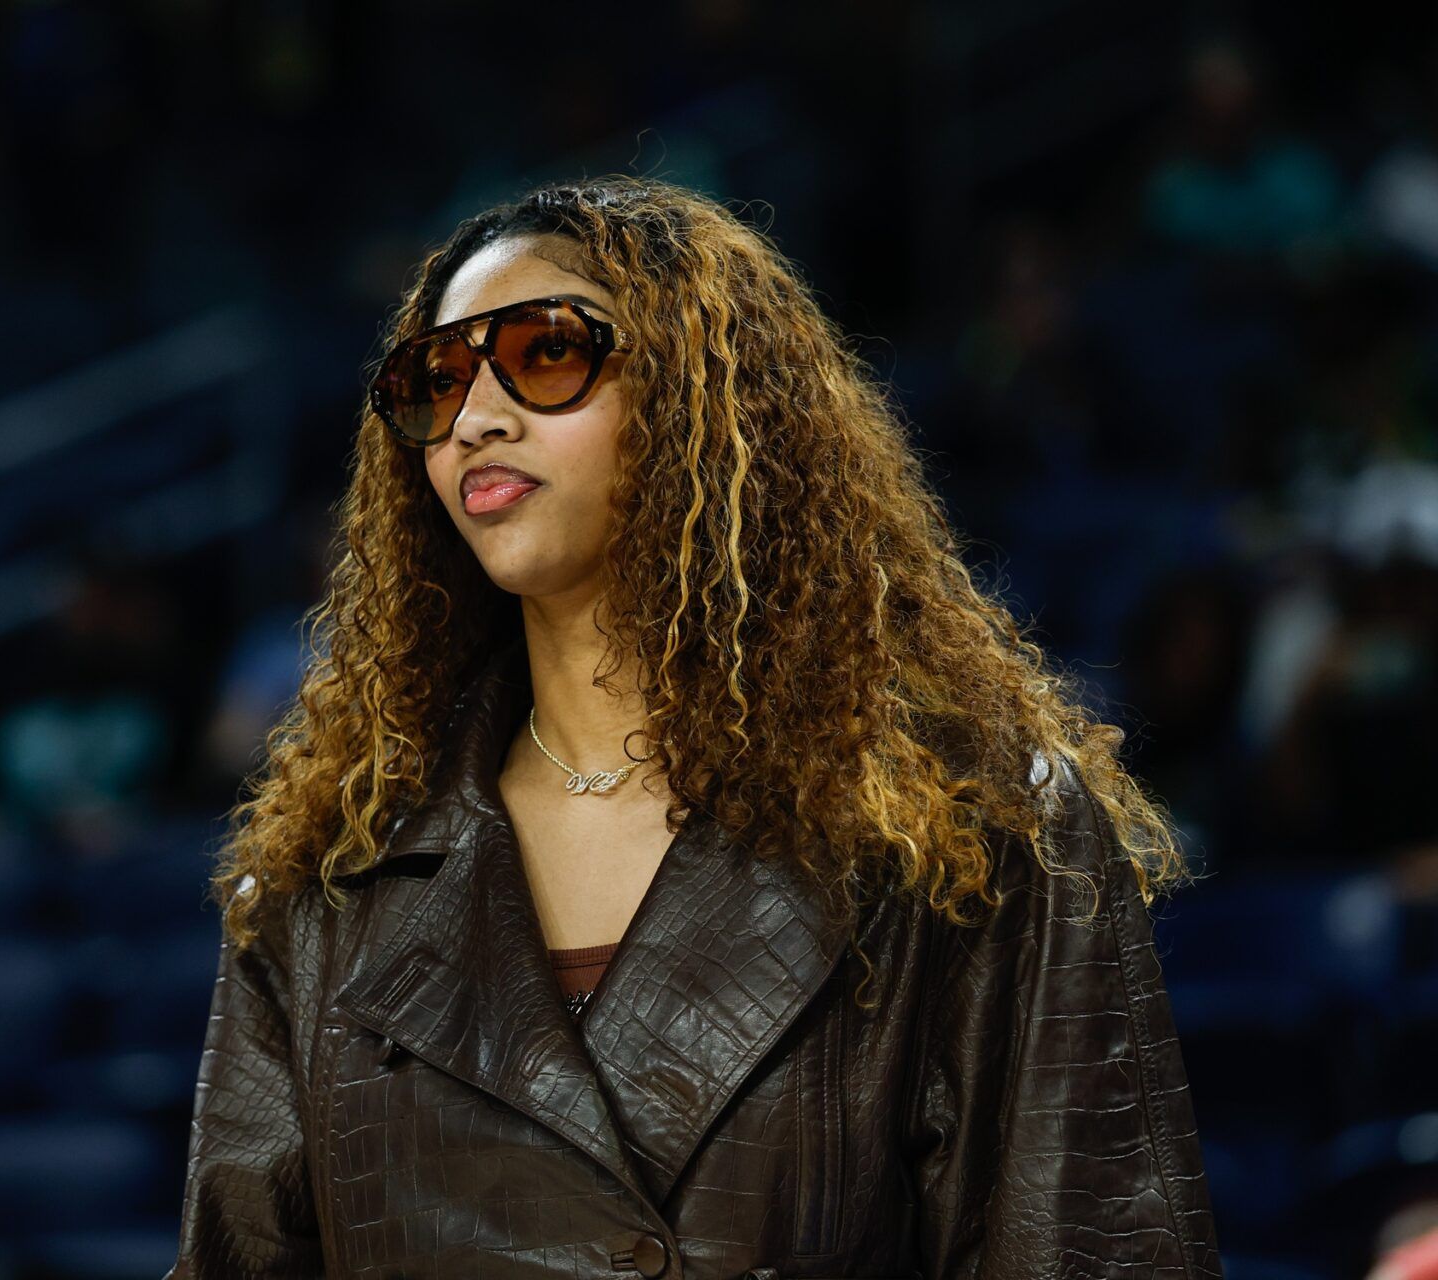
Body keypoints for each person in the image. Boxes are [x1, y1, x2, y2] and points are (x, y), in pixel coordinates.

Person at [164, 175, 1223, 1278]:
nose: (475, 418)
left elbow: (1094, 1248)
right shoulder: (329, 868)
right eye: (435, 383)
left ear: (699, 396)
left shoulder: (978, 821)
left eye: (545, 352)